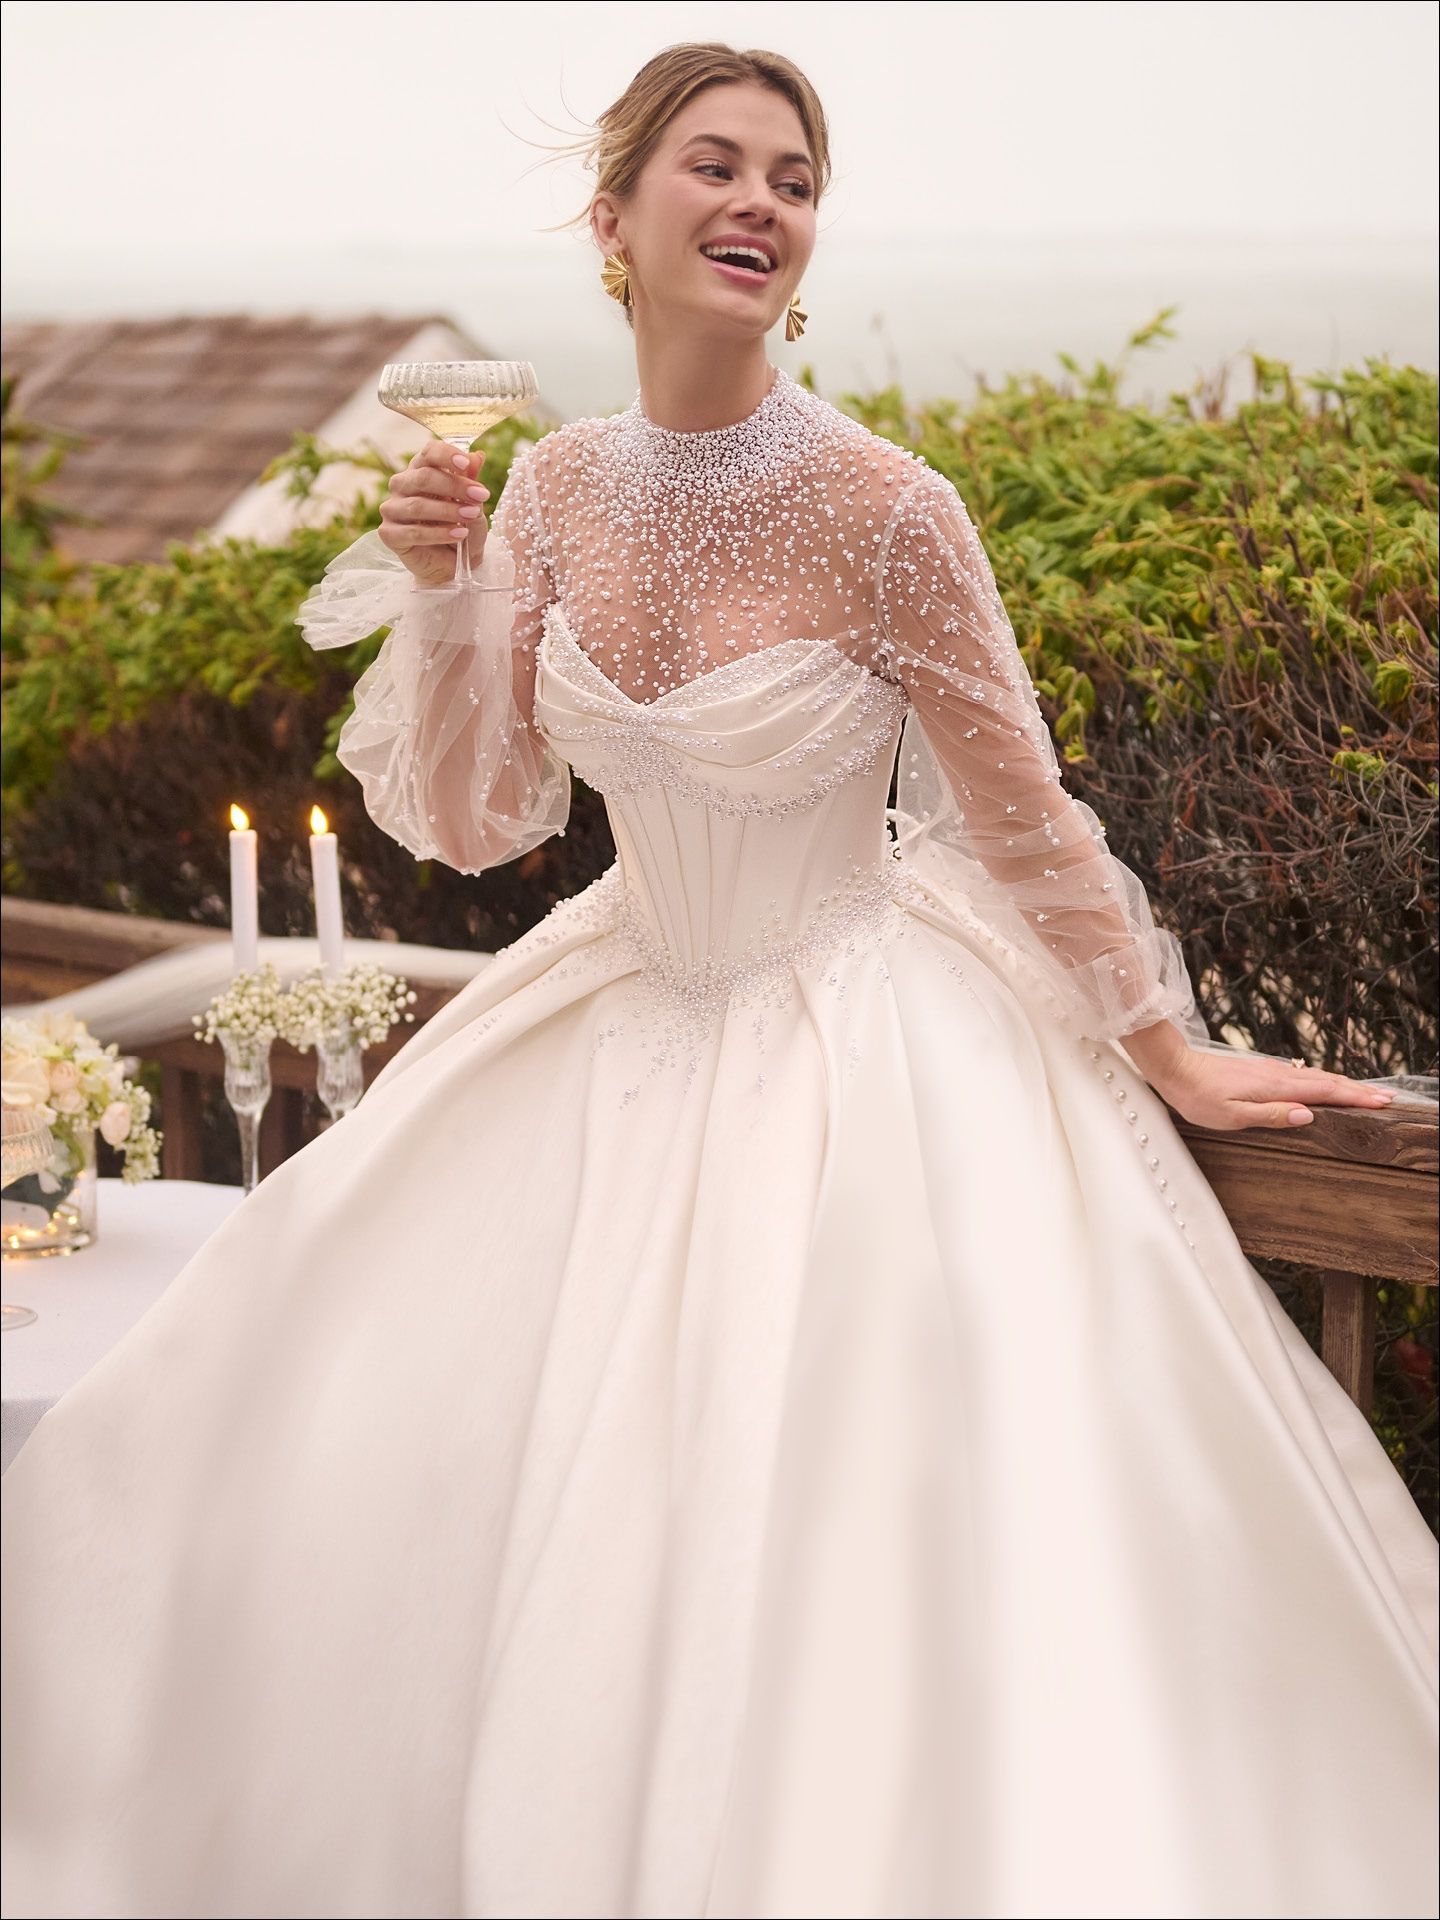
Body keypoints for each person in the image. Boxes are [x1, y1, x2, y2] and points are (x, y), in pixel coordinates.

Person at [2, 40, 1436, 1920]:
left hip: (865, 1057)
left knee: (836, 1546)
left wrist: (1167, 1047)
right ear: (617, 224)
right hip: (609, 1013)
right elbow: (480, 818)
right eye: (715, 164)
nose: (761, 199)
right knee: (325, 1423)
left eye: (794, 176)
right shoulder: (551, 491)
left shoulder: (891, 510)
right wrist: (440, 596)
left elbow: (1026, 820)